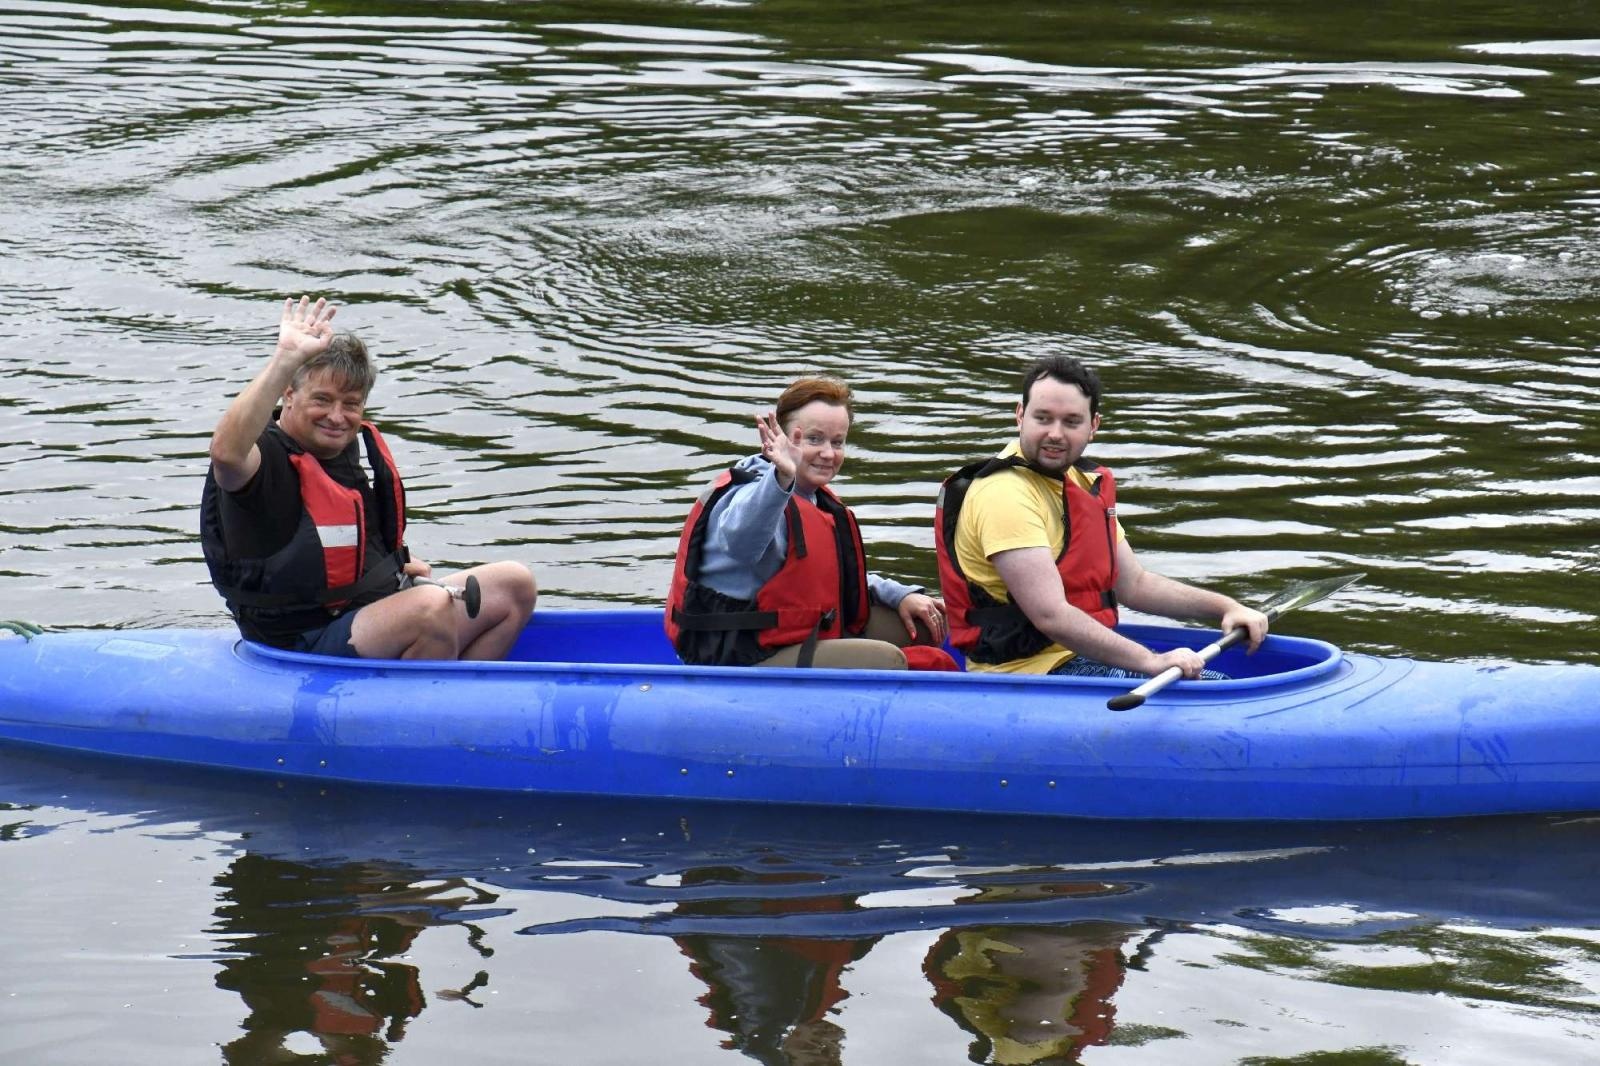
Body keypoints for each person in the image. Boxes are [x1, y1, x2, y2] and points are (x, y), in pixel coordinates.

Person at [201, 296, 536, 659]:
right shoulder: (262, 458)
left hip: (360, 612)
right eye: (322, 400)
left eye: (350, 404)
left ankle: (463, 688)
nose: (336, 416)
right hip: (297, 640)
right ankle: (429, 692)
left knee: (514, 586)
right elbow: (226, 453)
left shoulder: (340, 450)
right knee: (429, 609)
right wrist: (285, 359)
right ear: (289, 394)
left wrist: (392, 567)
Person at [935, 355, 1267, 677]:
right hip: (1028, 674)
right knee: (1211, 687)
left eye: (1071, 422)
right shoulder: (1005, 494)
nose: (1055, 433)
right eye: (1043, 418)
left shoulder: (1080, 482)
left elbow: (1135, 585)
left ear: (1093, 426)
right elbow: (1050, 615)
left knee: (1217, 680)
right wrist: (1151, 661)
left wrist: (1226, 607)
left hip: (1076, 656)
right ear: (1020, 416)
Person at [665, 376, 950, 669]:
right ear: (779, 438)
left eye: (837, 442)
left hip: (793, 634)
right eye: (814, 439)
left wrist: (897, 595)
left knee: (927, 625)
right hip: (742, 653)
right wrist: (781, 478)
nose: (828, 453)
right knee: (889, 660)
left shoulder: (813, 497)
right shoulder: (754, 492)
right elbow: (741, 544)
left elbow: (826, 577)